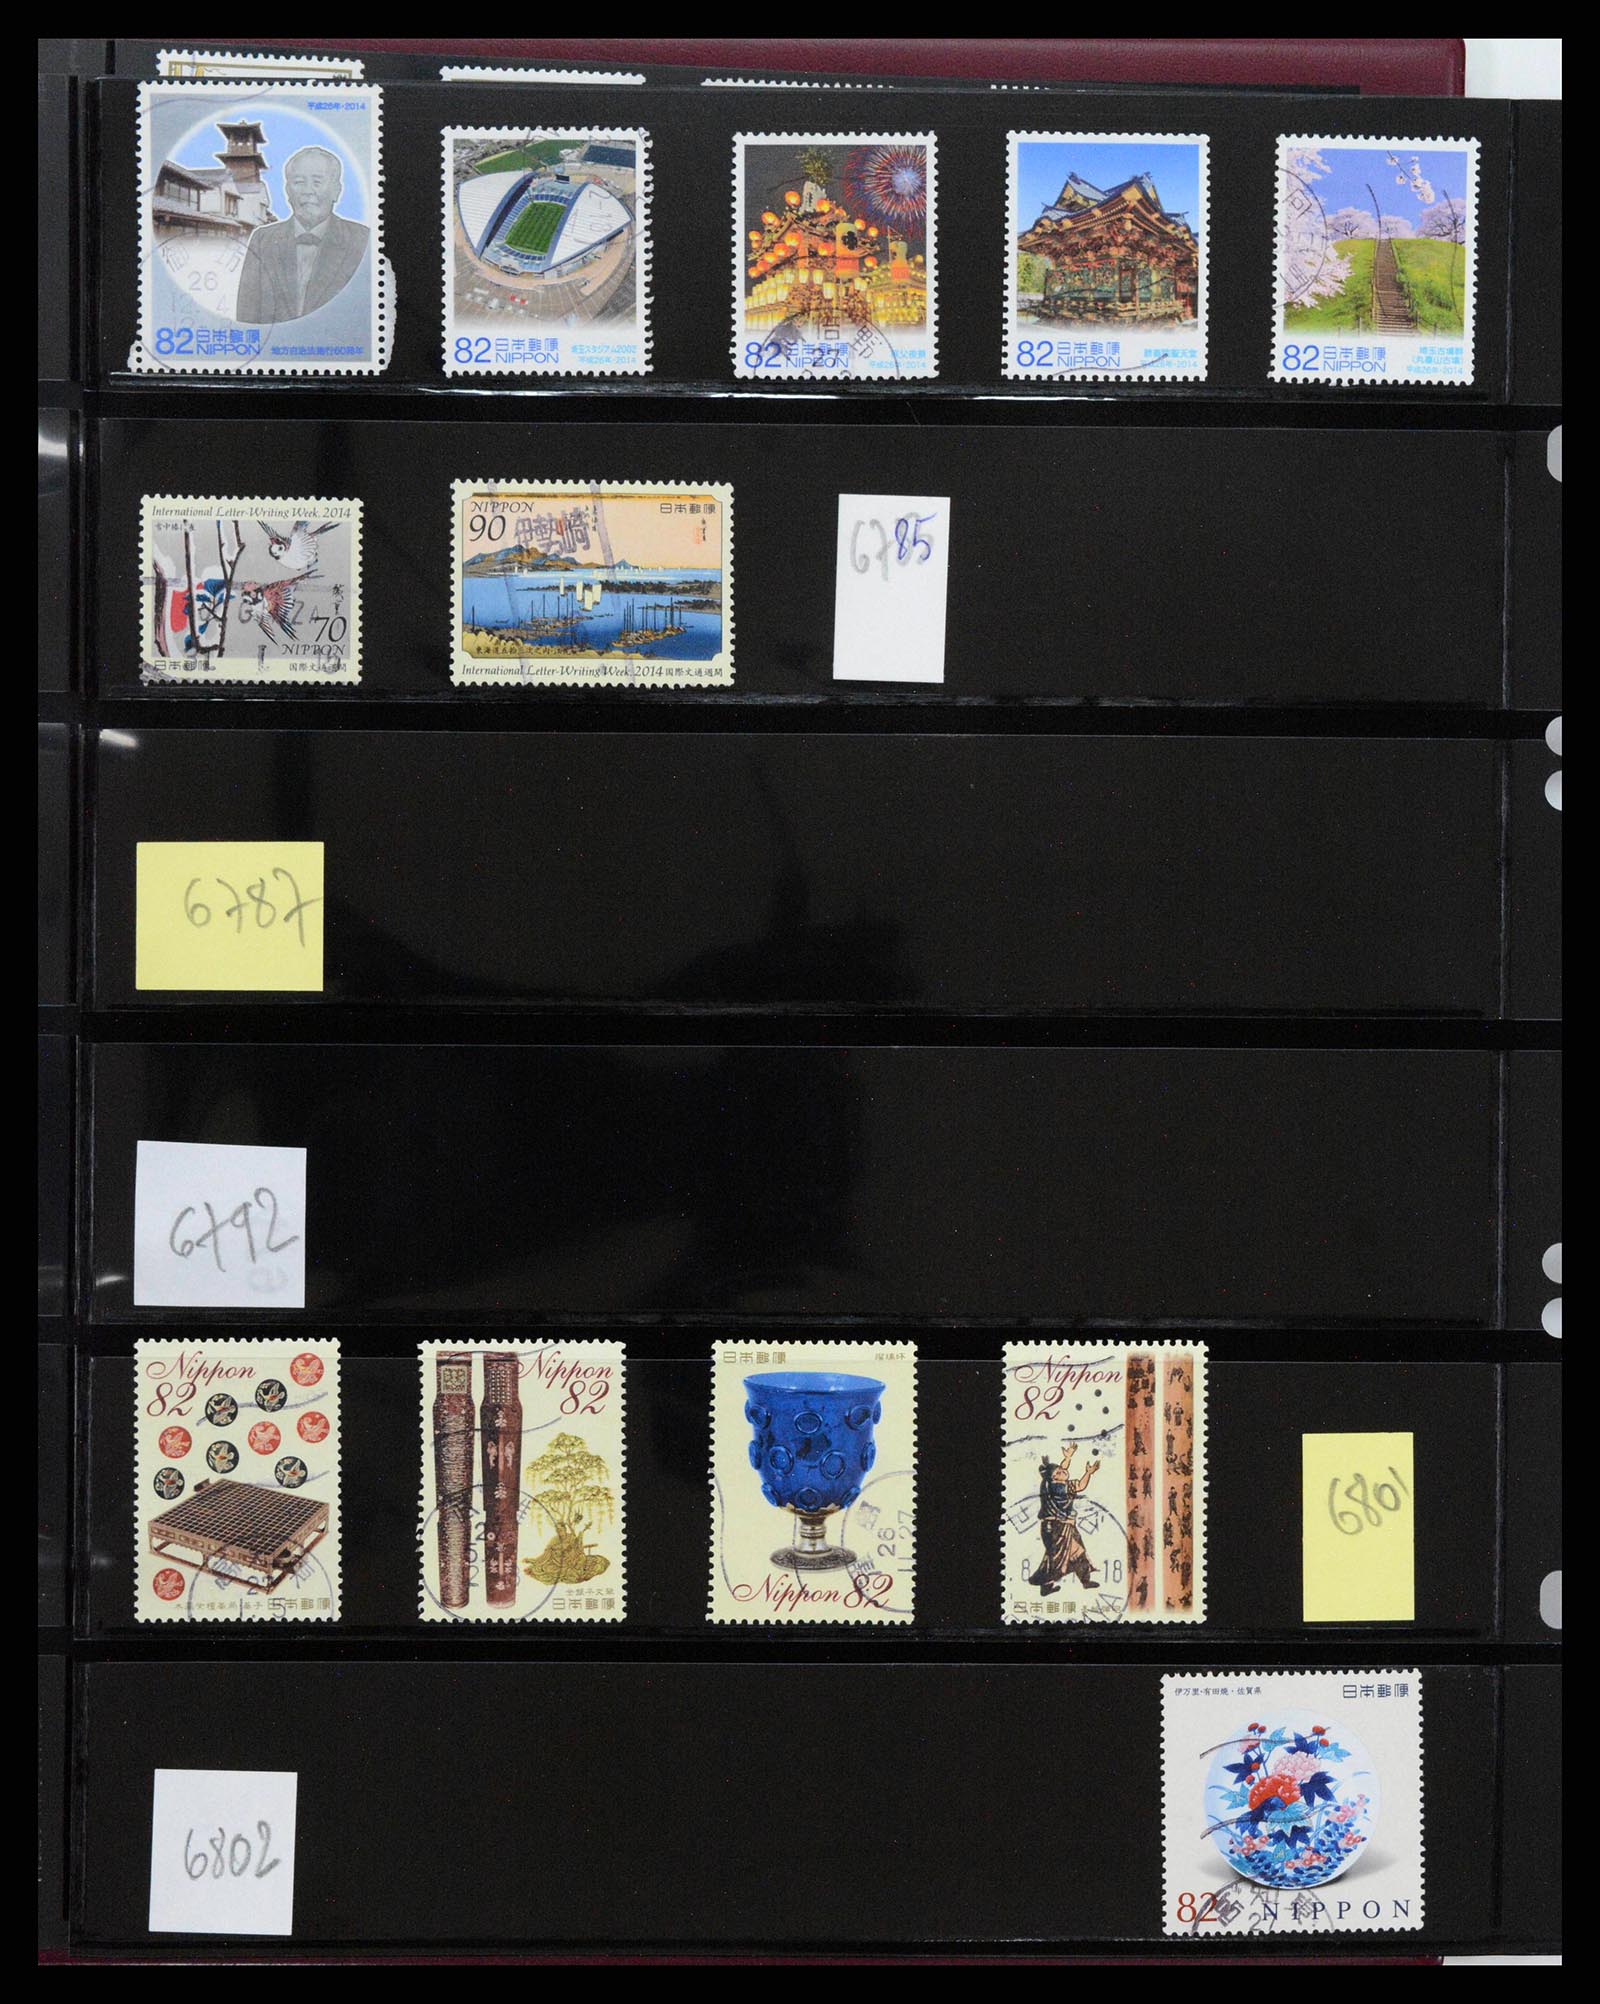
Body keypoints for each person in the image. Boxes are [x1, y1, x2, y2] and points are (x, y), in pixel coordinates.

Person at [236, 144, 369, 325]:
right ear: (288, 191)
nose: (308, 191)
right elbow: (246, 317)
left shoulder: (362, 240)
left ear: (336, 191)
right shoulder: (262, 240)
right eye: (299, 182)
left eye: (317, 182)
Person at [1029, 1441, 1101, 1595]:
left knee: (1073, 1553)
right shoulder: (1057, 1487)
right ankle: (1048, 1585)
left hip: (1059, 1526)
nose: (1064, 1471)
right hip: (1056, 1527)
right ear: (1054, 1477)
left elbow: (1066, 1471)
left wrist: (1069, 1459)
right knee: (1058, 1559)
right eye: (1059, 1472)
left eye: (1062, 1470)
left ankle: (1084, 1580)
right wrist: (1087, 1473)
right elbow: (1080, 1485)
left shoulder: (1052, 1483)